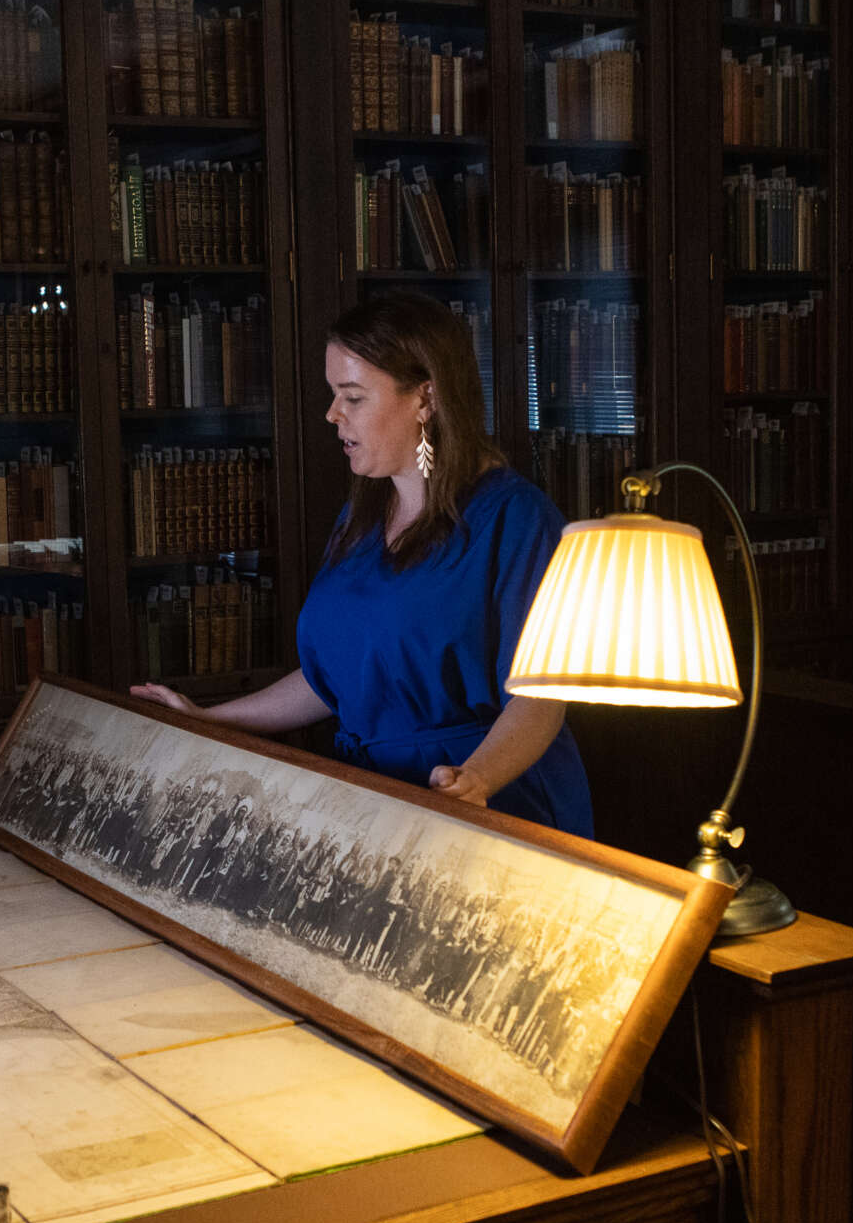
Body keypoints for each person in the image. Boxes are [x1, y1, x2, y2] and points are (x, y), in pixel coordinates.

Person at [132, 289, 592, 837]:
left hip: (491, 804)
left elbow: (543, 697)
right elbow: (337, 675)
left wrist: (475, 781)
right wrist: (209, 719)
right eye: (334, 395)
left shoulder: (518, 518)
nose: (332, 415)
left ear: (426, 398)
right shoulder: (362, 516)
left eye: (352, 397)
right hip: (374, 798)